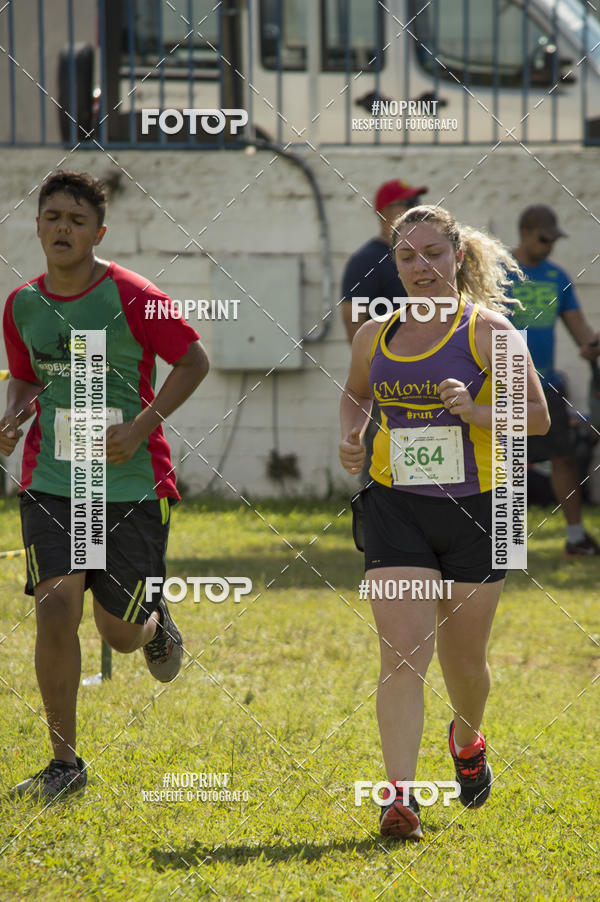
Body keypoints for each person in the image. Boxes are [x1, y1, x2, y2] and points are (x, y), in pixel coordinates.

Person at [339, 205, 549, 840]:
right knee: (402, 654)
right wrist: (351, 436)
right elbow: (355, 393)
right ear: (394, 263)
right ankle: (399, 798)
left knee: (465, 663)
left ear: (457, 257)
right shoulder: (375, 334)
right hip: (395, 507)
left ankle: (466, 736)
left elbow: (539, 418)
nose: (420, 268)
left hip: (483, 509)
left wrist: (477, 411)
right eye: (407, 257)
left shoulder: (488, 332)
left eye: (433, 253)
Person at [1, 170, 209, 801]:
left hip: (131, 485)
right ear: (36, 224)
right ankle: (64, 763)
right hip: (55, 480)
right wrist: (13, 416)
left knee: (117, 630)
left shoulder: (133, 294)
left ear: (98, 231)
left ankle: (156, 627)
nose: (62, 228)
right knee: (55, 606)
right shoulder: (21, 305)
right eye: (52, 216)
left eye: (76, 219)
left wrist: (142, 424)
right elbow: (27, 377)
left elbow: (194, 360)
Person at [509, 204, 600, 556]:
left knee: (563, 458)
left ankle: (575, 537)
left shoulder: (556, 277)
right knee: (508, 461)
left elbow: (580, 331)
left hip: (545, 384)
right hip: (500, 384)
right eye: (543, 239)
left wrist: (591, 345)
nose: (549, 247)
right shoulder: (498, 273)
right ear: (525, 232)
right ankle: (505, 542)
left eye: (553, 240)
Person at [342, 179, 428, 481]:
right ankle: (374, 516)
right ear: (382, 212)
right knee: (381, 449)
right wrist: (374, 366)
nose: (414, 210)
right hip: (388, 374)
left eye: (416, 203)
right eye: (406, 204)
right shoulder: (367, 259)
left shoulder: (422, 256)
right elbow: (353, 316)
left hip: (425, 371)